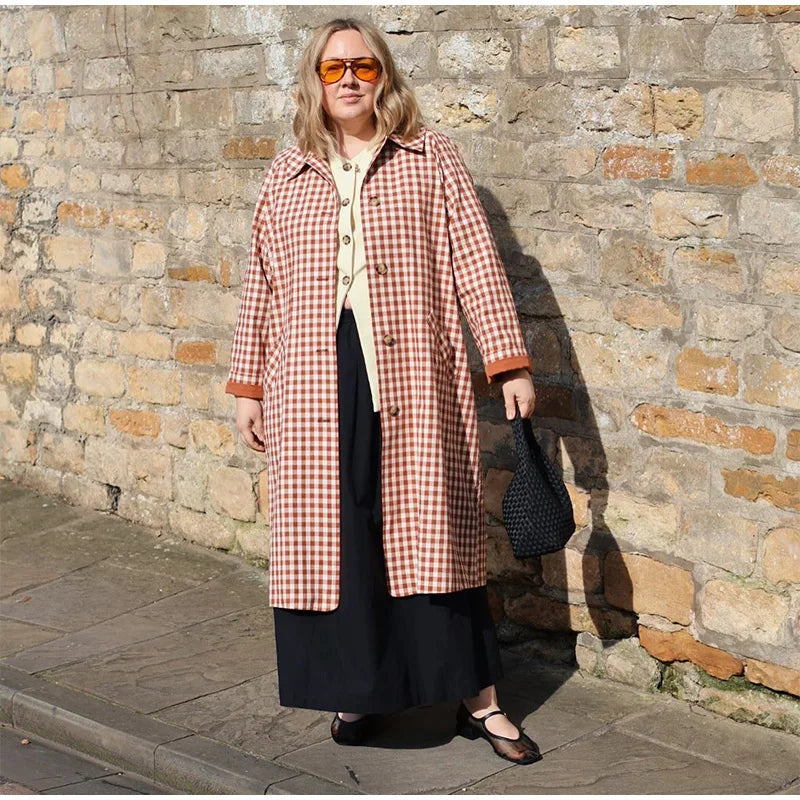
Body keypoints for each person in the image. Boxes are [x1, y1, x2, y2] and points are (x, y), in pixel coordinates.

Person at [225, 17, 540, 765]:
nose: (348, 80)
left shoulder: (430, 157)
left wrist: (508, 362)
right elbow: (261, 283)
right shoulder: (287, 172)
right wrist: (248, 385)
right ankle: (356, 690)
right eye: (333, 69)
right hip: (310, 379)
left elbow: (475, 259)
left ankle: (480, 699)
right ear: (314, 81)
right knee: (338, 534)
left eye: (362, 66)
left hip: (410, 374)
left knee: (431, 527)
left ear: (383, 76)